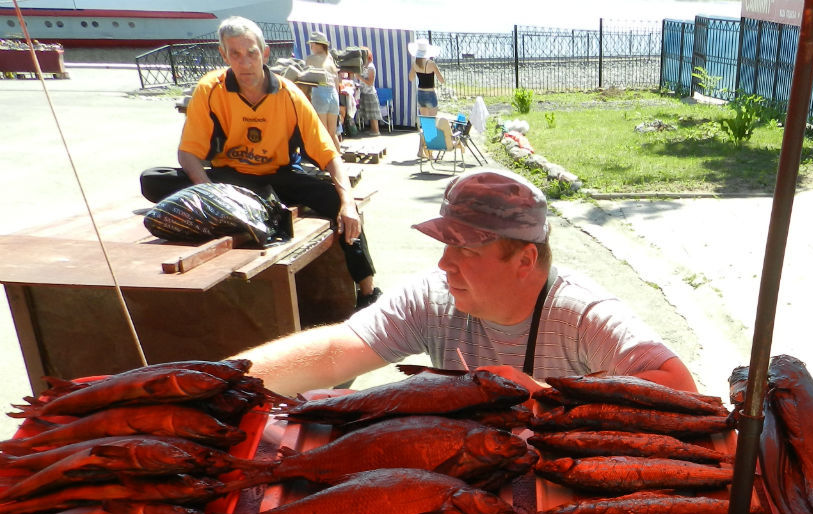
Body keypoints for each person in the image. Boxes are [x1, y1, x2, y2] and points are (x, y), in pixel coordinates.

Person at [236, 168, 698, 398]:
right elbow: (336, 351)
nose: (444, 262)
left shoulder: (582, 315)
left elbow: (680, 387)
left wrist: (543, 396)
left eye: (466, 249)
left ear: (525, 258)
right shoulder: (437, 299)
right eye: (445, 243)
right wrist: (216, 381)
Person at [139, 16, 381, 309]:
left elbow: (328, 153)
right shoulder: (210, 89)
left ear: (264, 53)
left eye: (251, 53)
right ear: (223, 54)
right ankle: (240, 207)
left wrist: (347, 203)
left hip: (279, 178)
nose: (245, 63)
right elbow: (188, 151)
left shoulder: (289, 95)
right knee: (153, 179)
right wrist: (210, 195)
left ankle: (368, 292)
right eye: (236, 54)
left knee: (337, 203)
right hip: (230, 179)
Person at [410, 38, 446, 159]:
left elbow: (410, 78)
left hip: (420, 94)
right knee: (431, 125)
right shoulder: (431, 64)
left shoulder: (415, 64)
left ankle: (421, 150)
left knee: (425, 124)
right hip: (430, 94)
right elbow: (442, 80)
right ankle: (429, 152)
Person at [304, 31, 341, 146]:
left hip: (319, 92)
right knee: (332, 133)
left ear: (317, 44)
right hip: (333, 94)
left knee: (323, 133)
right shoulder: (329, 58)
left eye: (312, 44)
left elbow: (305, 79)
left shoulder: (310, 59)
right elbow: (336, 81)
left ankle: (326, 162)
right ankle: (338, 160)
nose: (311, 46)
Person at [356, 46, 381, 136]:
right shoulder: (364, 66)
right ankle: (372, 129)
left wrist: (360, 78)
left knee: (373, 114)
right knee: (369, 113)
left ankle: (376, 131)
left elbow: (370, 82)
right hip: (364, 91)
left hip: (370, 92)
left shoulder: (371, 67)